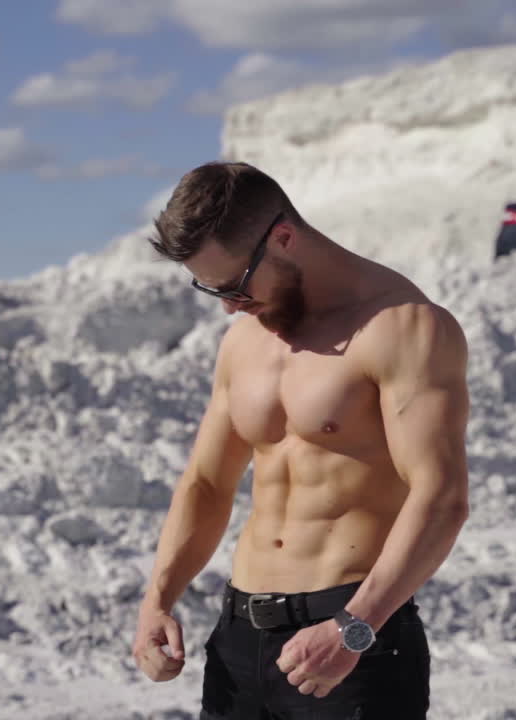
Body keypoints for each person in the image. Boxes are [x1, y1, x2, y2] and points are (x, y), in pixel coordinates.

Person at [131, 161, 470, 719]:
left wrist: (354, 628)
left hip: (352, 640)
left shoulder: (403, 327)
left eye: (235, 285)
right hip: (240, 640)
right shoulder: (244, 340)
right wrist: (158, 599)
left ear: (283, 238)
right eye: (210, 289)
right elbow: (207, 482)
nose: (228, 306)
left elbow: (441, 498)